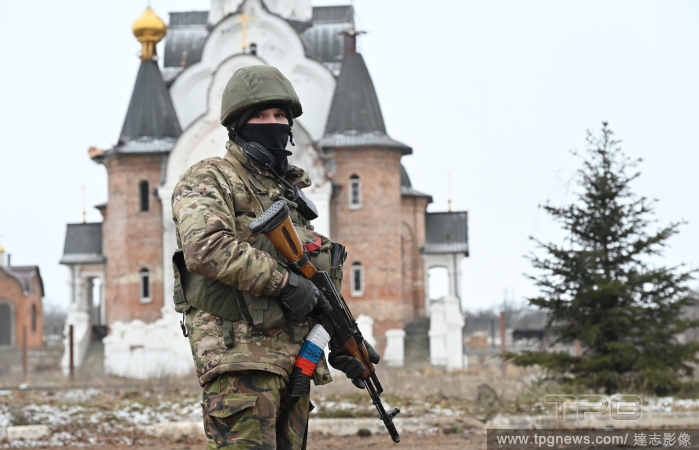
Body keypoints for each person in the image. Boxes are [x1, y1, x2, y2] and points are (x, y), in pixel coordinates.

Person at [171, 65, 379, 450]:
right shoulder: (210, 178)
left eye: (280, 116)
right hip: (240, 360)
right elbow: (205, 247)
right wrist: (281, 281)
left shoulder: (289, 195)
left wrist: (343, 338)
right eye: (260, 115)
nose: (273, 123)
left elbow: (314, 284)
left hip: (296, 362)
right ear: (237, 124)